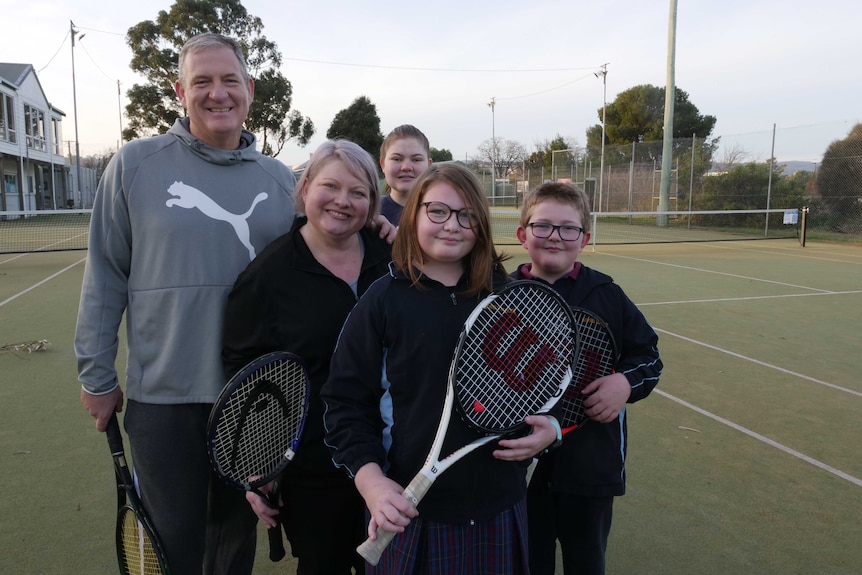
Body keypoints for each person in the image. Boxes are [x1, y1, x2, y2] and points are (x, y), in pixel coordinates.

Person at [75, 33, 393, 574]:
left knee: (232, 548)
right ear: (180, 90)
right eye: (202, 81)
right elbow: (105, 274)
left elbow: (321, 236)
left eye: (229, 81)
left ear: (249, 90)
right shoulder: (133, 165)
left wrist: (376, 225)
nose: (216, 93)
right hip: (165, 398)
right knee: (174, 545)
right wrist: (96, 376)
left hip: (256, 403)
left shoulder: (276, 178)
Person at [320, 163, 560, 574]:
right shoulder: (382, 301)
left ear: (480, 225)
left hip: (499, 505)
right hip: (410, 512)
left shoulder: (511, 299)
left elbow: (550, 383)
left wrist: (552, 430)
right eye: (438, 211)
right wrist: (372, 483)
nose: (452, 225)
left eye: (466, 215)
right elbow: (344, 404)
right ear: (413, 214)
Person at [222, 139, 392, 574]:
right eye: (330, 186)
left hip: (395, 460)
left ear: (373, 203)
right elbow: (246, 377)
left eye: (358, 192)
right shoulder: (268, 275)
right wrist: (261, 467)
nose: (342, 201)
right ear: (305, 189)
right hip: (315, 470)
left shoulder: (394, 258)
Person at [511, 182, 663, 575]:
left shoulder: (607, 295)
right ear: (522, 234)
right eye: (542, 226)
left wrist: (625, 383)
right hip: (518, 473)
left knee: (586, 563)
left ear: (585, 239)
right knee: (528, 563)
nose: (556, 237)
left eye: (569, 228)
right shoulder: (500, 294)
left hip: (590, 467)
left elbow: (648, 356)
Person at [378, 125, 431, 225]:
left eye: (416, 160)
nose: (406, 167)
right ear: (383, 164)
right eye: (397, 159)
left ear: (429, 165)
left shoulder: (442, 214)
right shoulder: (368, 214)